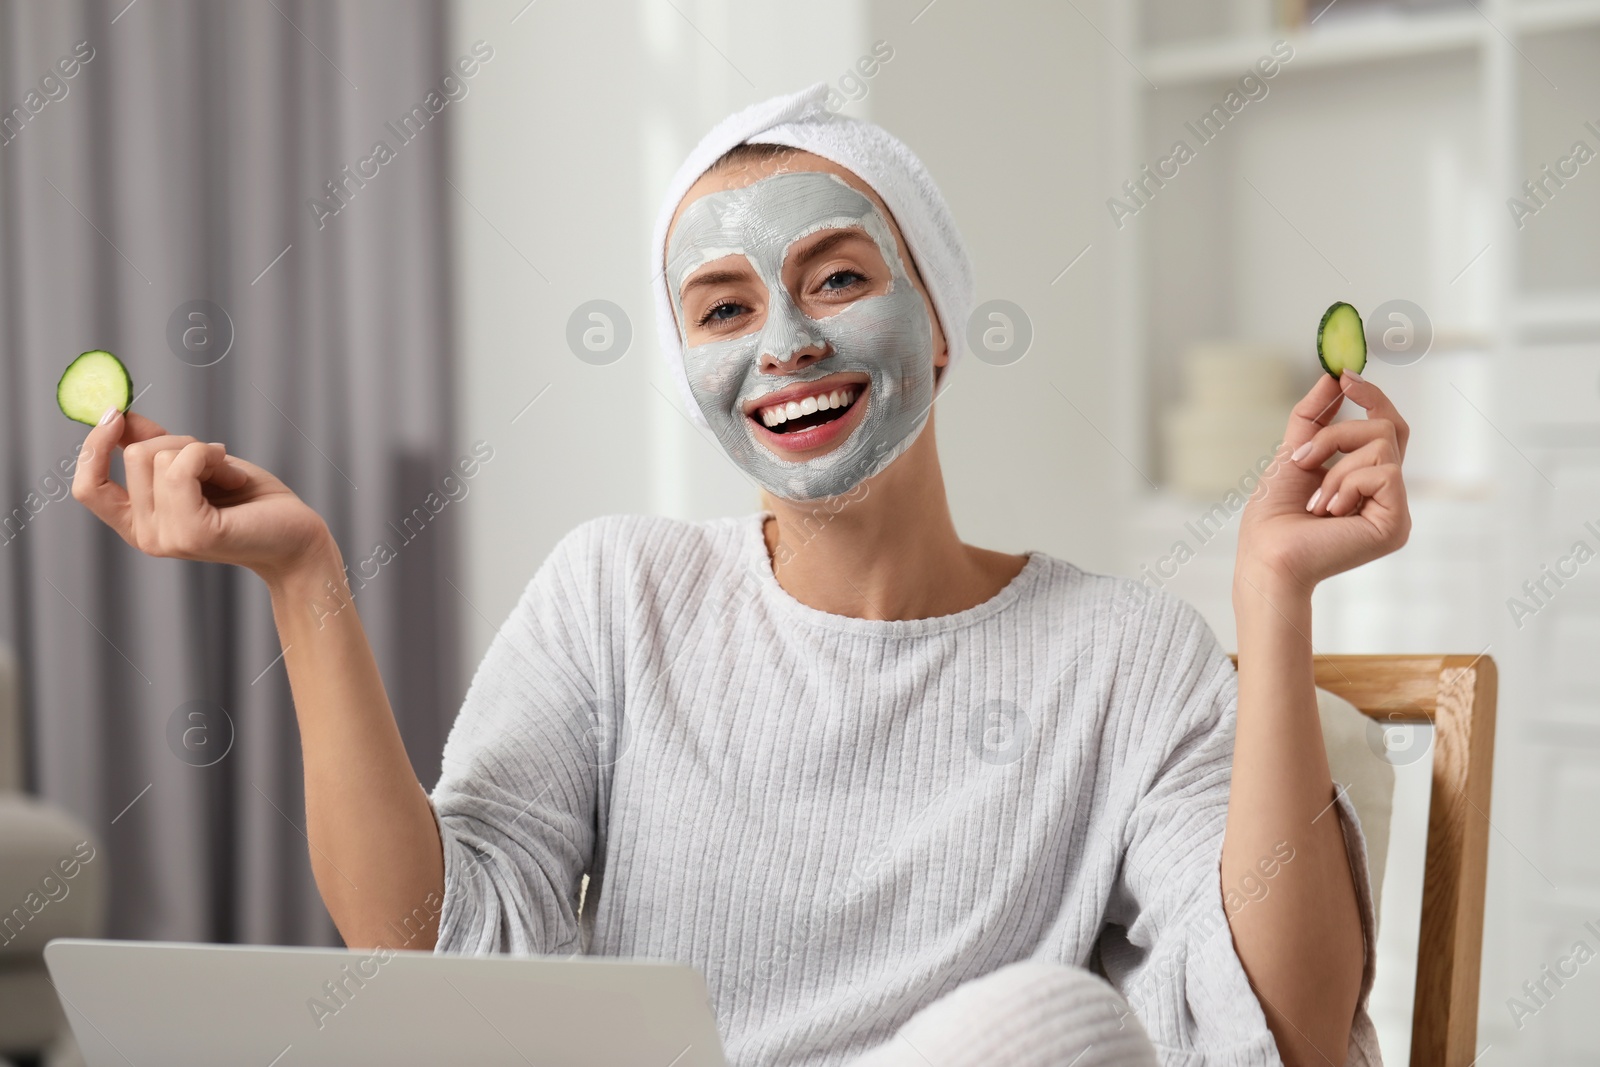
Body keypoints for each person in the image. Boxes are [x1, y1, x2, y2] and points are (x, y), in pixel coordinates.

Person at [70, 83, 1407, 1066]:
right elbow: (434, 950)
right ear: (691, 371)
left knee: (1056, 1028)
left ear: (938, 321)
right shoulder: (616, 594)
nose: (786, 342)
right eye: (723, 308)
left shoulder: (1127, 656)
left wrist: (1272, 603)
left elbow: (1281, 1029)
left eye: (836, 277)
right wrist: (305, 579)